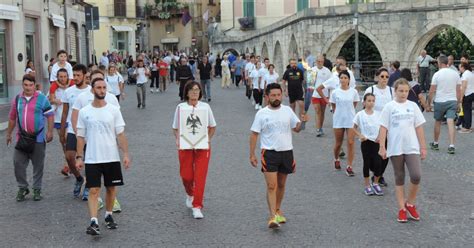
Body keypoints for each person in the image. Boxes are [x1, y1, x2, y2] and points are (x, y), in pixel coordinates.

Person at [76, 77, 130, 236]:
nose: (101, 90)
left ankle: (108, 215)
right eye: (98, 87)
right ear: (92, 90)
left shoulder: (113, 110)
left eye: (104, 88)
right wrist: (79, 157)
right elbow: (80, 136)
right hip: (92, 157)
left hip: (111, 157)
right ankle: (93, 221)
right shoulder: (85, 112)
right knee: (93, 190)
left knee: (111, 188)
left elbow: (120, 134)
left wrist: (125, 154)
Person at [249, 83, 307, 229]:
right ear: (267, 97)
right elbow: (254, 134)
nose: (276, 98)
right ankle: (272, 216)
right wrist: (252, 154)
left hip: (287, 152)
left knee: (281, 185)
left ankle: (277, 209)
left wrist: (303, 122)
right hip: (269, 153)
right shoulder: (262, 113)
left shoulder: (287, 110)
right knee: (271, 185)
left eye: (278, 95)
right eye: (273, 95)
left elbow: (296, 129)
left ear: (282, 95)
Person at [378, 78, 427, 223]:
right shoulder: (389, 107)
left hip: (411, 146)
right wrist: (382, 146)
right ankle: (401, 209)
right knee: (399, 177)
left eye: (406, 91)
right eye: (401, 91)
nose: (404, 93)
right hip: (395, 147)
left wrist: (423, 147)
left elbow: (419, 127)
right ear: (395, 91)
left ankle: (410, 203)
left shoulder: (413, 106)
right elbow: (383, 127)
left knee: (416, 175)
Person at [172, 81, 216, 219]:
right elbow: (175, 127)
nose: (195, 92)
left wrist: (208, 139)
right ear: (187, 92)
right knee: (186, 176)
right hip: (186, 146)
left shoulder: (206, 107)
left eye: (197, 90)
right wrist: (178, 139)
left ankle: (197, 206)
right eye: (192, 90)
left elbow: (212, 126)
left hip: (202, 146)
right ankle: (190, 193)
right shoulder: (180, 107)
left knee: (200, 176)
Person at [6, 74, 54, 201]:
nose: (28, 88)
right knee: (18, 163)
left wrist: (50, 131)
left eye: (31, 85)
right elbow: (12, 118)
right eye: (26, 85)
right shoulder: (17, 99)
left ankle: (37, 189)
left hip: (37, 138)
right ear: (22, 85)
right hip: (21, 138)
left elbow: (50, 115)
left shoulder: (42, 99)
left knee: (38, 165)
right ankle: (23, 187)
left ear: (35, 85)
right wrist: (9, 134)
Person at [60, 64, 92, 200]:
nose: (76, 78)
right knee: (69, 156)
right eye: (75, 75)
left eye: (79, 75)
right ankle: (79, 178)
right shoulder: (69, 92)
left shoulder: (91, 91)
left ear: (85, 75)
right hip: (73, 130)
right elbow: (65, 112)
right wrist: (62, 131)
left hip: (89, 131)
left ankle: (89, 185)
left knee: (91, 161)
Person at [427, 55, 461, 154]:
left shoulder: (437, 75)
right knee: (451, 122)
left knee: (438, 122)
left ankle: (436, 143)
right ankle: (451, 145)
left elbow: (431, 91)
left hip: (440, 101)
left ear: (440, 63)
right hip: (452, 101)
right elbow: (458, 90)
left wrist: (428, 104)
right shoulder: (455, 74)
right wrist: (459, 103)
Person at [328, 70, 359, 175]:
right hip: (338, 119)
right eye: (341, 78)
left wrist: (348, 112)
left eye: (345, 78)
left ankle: (349, 166)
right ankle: (336, 159)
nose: (343, 80)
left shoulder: (354, 92)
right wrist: (340, 113)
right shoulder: (335, 92)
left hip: (351, 120)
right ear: (339, 79)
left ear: (349, 80)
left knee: (350, 142)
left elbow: (354, 104)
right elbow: (333, 106)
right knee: (338, 143)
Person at [352, 93, 384, 196]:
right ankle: (367, 185)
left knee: (378, 163)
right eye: (369, 101)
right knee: (367, 163)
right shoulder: (360, 115)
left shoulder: (378, 114)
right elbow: (353, 128)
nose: (371, 103)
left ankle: (375, 183)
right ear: (364, 102)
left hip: (376, 142)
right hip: (365, 142)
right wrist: (360, 135)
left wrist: (380, 137)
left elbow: (382, 127)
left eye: (373, 101)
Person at [49, 69, 74, 176]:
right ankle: (70, 163)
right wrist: (56, 101)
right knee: (63, 143)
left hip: (70, 119)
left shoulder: (72, 87)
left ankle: (67, 166)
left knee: (69, 142)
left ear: (68, 76)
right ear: (57, 77)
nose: (63, 78)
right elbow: (50, 99)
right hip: (58, 119)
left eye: (64, 76)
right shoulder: (54, 87)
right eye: (61, 76)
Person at [311, 55, 332, 137]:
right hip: (315, 95)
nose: (319, 63)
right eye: (318, 61)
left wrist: (330, 96)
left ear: (323, 62)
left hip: (324, 95)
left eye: (321, 61)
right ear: (316, 61)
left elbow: (330, 84)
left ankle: (321, 127)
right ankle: (318, 129)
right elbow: (310, 84)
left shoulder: (327, 71)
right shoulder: (312, 70)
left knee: (322, 112)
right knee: (317, 111)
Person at [282, 59, 305, 126]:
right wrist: (285, 90)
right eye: (292, 63)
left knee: (301, 104)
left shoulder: (300, 71)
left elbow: (302, 81)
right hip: (291, 91)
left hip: (299, 91)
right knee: (293, 106)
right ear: (290, 64)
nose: (294, 64)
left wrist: (305, 88)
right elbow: (283, 81)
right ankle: (294, 121)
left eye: (295, 63)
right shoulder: (287, 71)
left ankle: (301, 121)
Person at [459, 62, 474, 133]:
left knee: (466, 110)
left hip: (467, 94)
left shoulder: (465, 75)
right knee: (469, 110)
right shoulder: (470, 73)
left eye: (460, 67)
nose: (459, 69)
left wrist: (461, 97)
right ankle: (469, 126)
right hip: (472, 93)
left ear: (463, 67)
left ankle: (466, 127)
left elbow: (464, 87)